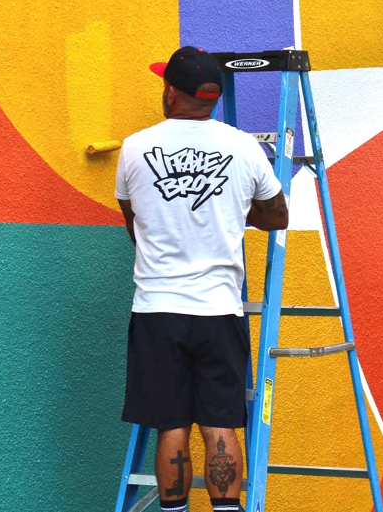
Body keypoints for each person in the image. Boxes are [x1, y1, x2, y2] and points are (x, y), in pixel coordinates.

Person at [115, 46, 289, 512]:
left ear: (171, 92)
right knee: (220, 422)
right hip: (218, 308)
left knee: (170, 423)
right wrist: (230, 210)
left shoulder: (134, 148)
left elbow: (133, 223)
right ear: (210, 96)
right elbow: (277, 217)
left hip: (157, 308)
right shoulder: (244, 146)